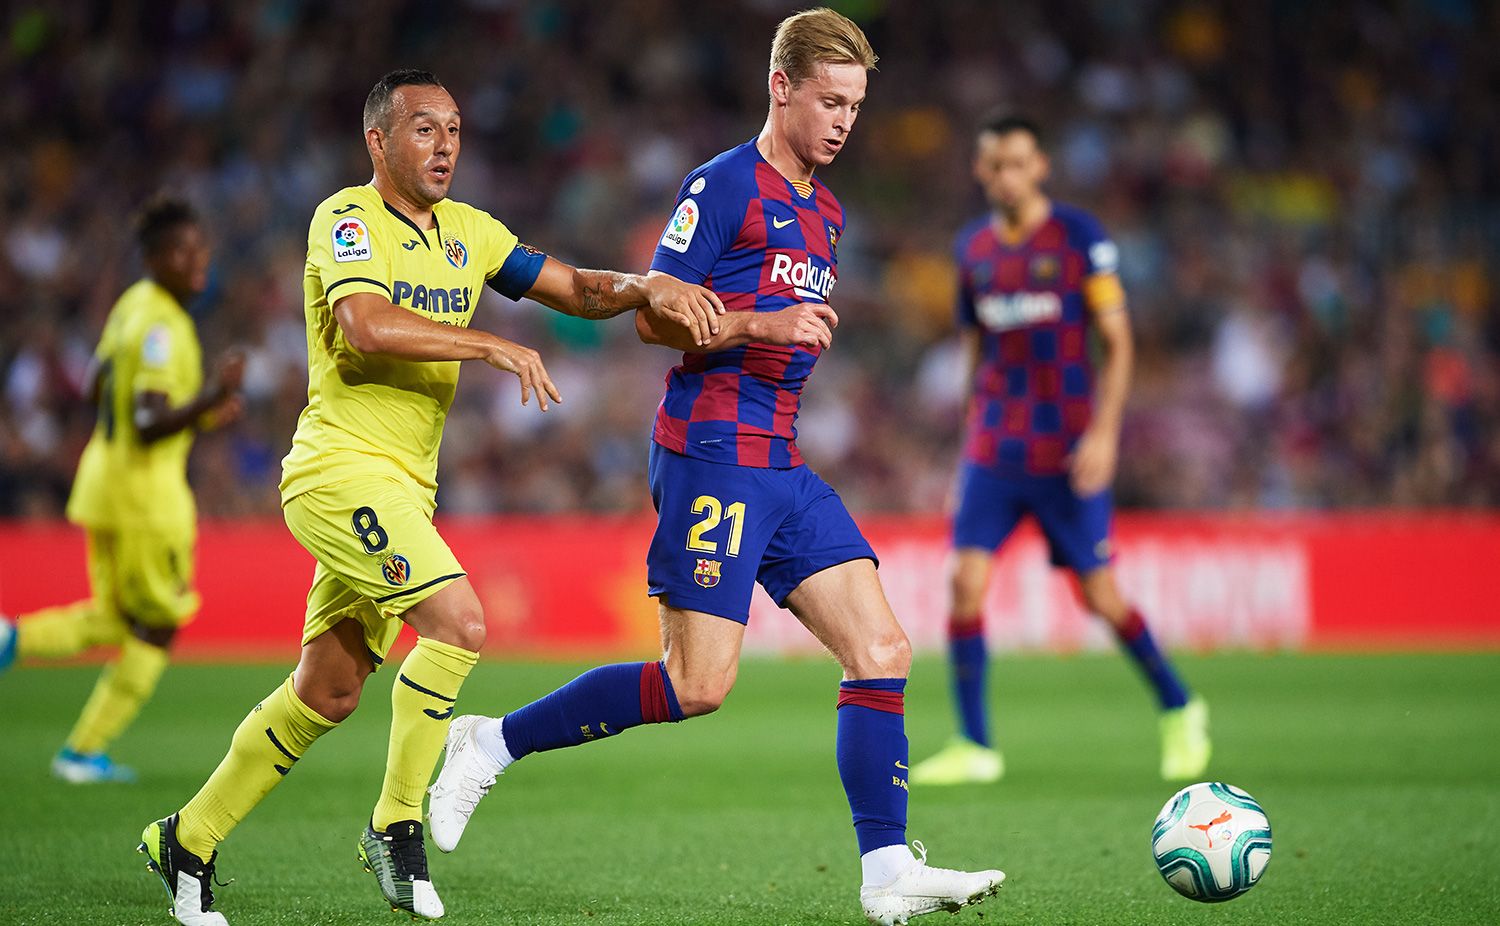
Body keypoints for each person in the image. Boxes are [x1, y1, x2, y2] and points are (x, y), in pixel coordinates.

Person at [426, 11, 1005, 926]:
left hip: (778, 459)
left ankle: (886, 870)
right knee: (697, 686)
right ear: (782, 87)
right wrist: (756, 326)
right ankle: (489, 742)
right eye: (829, 100)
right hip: (711, 456)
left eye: (855, 104)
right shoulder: (724, 186)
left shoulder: (829, 209)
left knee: (882, 648)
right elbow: (653, 315)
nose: (844, 120)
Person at [134, 68, 723, 926]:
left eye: (453, 129)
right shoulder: (344, 220)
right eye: (423, 129)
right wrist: (488, 343)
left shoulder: (472, 234)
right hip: (338, 472)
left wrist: (644, 286)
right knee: (459, 622)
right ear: (378, 141)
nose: (445, 144)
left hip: (407, 485)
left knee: (328, 693)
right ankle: (395, 825)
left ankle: (185, 839)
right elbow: (365, 327)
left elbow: (576, 289)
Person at [907, 115, 1211, 788]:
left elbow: (1120, 342)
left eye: (1017, 163)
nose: (1005, 176)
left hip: (1067, 448)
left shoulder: (1079, 237)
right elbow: (976, 350)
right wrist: (966, 447)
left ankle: (1179, 704)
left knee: (1099, 596)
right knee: (963, 582)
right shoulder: (973, 249)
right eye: (993, 165)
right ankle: (976, 743)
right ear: (980, 173)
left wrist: (1105, 434)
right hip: (994, 445)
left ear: (1039, 166)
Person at [0, 196, 244, 783]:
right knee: (157, 624)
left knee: (115, 617)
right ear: (154, 258)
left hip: (102, 482)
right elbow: (143, 418)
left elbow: (95, 388)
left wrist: (201, 415)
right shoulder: (162, 320)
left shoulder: (129, 306)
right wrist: (210, 396)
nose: (197, 260)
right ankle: (82, 752)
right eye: (182, 250)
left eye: (201, 248)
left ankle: (11, 638)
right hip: (145, 497)